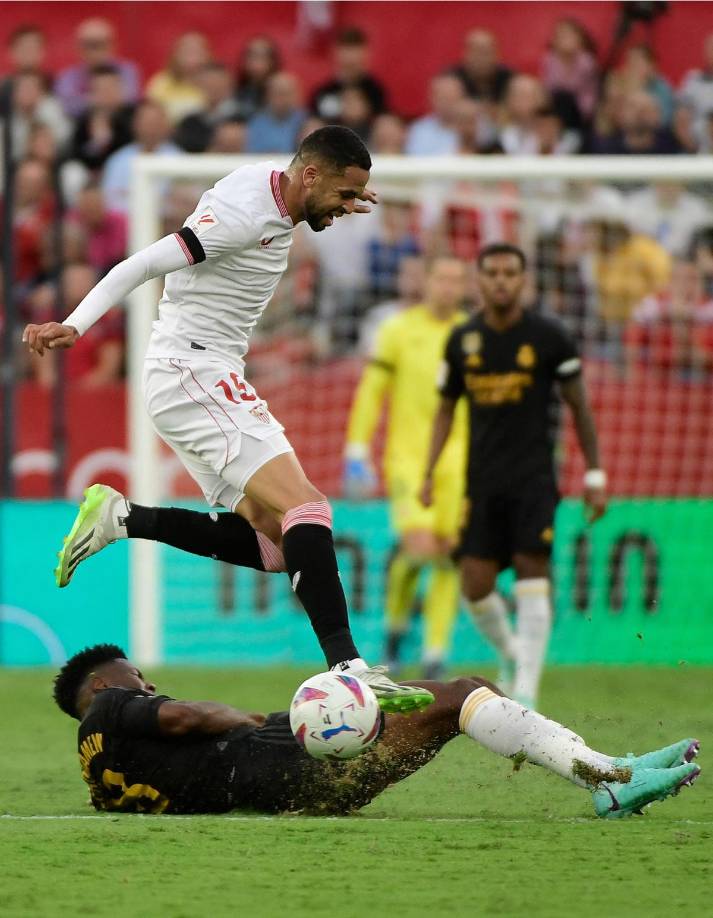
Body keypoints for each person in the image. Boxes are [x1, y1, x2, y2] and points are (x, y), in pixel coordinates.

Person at [23, 126, 430, 715]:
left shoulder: (282, 192)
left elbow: (309, 191)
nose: (349, 208)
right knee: (308, 508)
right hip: (193, 373)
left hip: (195, 374)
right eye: (345, 195)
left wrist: (343, 188)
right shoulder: (246, 212)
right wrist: (77, 323)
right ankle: (351, 671)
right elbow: (143, 263)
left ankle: (124, 517)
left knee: (281, 546)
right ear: (309, 176)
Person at [54, 643, 701, 817]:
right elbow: (187, 716)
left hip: (290, 791)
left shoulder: (100, 776)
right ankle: (606, 778)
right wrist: (247, 716)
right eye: (136, 678)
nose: (147, 685)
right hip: (291, 759)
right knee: (464, 694)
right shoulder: (110, 709)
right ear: (105, 686)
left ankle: (600, 764)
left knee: (461, 696)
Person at [421, 244, 607, 709]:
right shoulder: (462, 340)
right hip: (481, 483)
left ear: (524, 280)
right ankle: (513, 653)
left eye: (510, 273)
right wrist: (427, 471)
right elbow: (445, 408)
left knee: (531, 573)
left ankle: (525, 690)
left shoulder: (550, 337)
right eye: (492, 273)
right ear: (478, 281)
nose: (501, 281)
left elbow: (579, 405)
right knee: (475, 586)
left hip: (535, 479)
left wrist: (596, 473)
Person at [344, 258, 469, 679]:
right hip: (409, 460)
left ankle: (435, 655)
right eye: (442, 277)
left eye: (457, 279)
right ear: (427, 282)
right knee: (419, 550)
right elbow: (372, 390)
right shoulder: (398, 330)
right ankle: (395, 629)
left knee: (450, 555)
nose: (449, 286)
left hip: (460, 464)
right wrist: (357, 449)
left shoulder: (472, 336)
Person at [101, 100, 179, 214]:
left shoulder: (180, 159)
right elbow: (109, 200)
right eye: (146, 122)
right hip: (125, 224)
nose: (151, 128)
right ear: (135, 125)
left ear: (166, 125)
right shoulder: (118, 160)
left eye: (156, 122)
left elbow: (182, 203)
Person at [55, 17, 140, 118]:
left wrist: (91, 100)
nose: (95, 51)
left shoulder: (127, 70)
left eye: (100, 44)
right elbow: (67, 106)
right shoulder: (68, 76)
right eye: (89, 45)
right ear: (78, 48)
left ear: (113, 45)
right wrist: (104, 98)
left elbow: (131, 100)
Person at [311, 27, 387, 123]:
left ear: (366, 54)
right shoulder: (323, 92)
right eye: (346, 49)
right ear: (335, 53)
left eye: (355, 49)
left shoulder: (376, 92)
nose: (351, 57)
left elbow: (382, 124)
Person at [174, 62, 242, 153]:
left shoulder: (243, 116)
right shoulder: (189, 121)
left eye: (218, 83)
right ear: (199, 86)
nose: (213, 88)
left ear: (229, 86)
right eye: (209, 83)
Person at [145, 32, 212, 124]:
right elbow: (150, 113)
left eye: (197, 51)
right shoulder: (162, 82)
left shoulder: (214, 83)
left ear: (207, 55)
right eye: (187, 51)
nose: (191, 56)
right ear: (175, 54)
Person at [245, 71, 307, 154]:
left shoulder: (307, 121)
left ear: (297, 95)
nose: (284, 99)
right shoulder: (255, 123)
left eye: (288, 93)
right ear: (268, 95)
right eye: (279, 93)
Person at [404, 74, 465, 156]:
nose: (448, 104)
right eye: (443, 98)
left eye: (452, 98)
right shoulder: (419, 131)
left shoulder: (477, 127)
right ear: (432, 99)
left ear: (462, 98)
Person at [448, 30, 513, 105]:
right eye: (477, 52)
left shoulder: (509, 78)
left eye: (486, 53)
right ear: (465, 54)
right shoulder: (453, 78)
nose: (481, 58)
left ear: (497, 55)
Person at [234, 35, 281, 120]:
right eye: (251, 55)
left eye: (262, 56)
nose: (256, 61)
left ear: (273, 61)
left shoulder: (282, 89)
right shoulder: (235, 89)